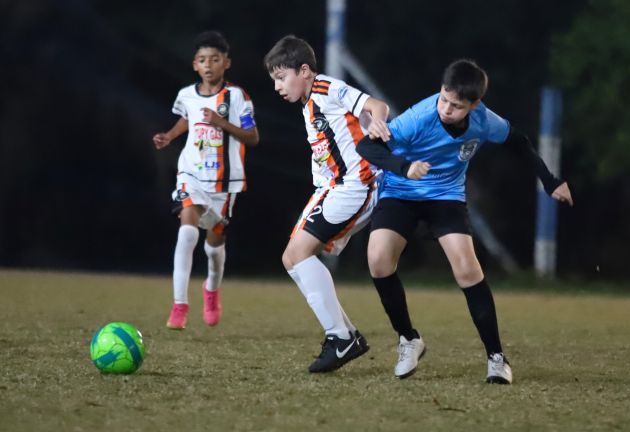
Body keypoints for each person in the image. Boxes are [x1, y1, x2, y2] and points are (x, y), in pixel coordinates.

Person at [357, 59, 573, 383]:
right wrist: (404, 167)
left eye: (456, 106)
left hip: (445, 196)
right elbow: (366, 146)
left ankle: (497, 359)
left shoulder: (484, 121)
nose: (446, 108)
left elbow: (518, 142)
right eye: (444, 99)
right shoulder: (420, 117)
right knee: (378, 260)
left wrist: (550, 180)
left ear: (474, 105)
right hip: (401, 191)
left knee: (468, 270)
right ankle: (408, 339)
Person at [263, 35, 391, 373]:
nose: (277, 86)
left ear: (304, 71)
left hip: (354, 185)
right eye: (273, 80)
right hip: (331, 188)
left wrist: (377, 121)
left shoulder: (325, 89)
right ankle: (345, 335)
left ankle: (340, 337)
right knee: (292, 258)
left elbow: (376, 105)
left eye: (281, 77)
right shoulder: (308, 103)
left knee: (296, 255)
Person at [153, 31, 259, 330]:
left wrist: (222, 123)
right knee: (187, 233)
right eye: (202, 60)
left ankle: (211, 291)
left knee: (214, 245)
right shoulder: (186, 94)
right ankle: (179, 306)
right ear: (194, 65)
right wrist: (170, 136)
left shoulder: (237, 97)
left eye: (214, 59)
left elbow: (252, 137)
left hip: (225, 183)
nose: (208, 64)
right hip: (191, 173)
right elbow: (187, 117)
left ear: (226, 63)